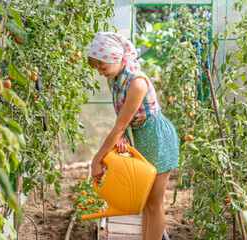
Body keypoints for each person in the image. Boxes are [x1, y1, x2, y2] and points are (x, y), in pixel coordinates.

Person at [88, 32, 180, 240]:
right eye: (98, 69)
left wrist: (97, 160)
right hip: (139, 137)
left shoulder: (137, 83)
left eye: (103, 68)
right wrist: (124, 139)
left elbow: (119, 126)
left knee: (154, 204)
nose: (101, 74)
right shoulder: (115, 78)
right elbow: (124, 117)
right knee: (145, 202)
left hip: (156, 139)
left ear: (118, 58)